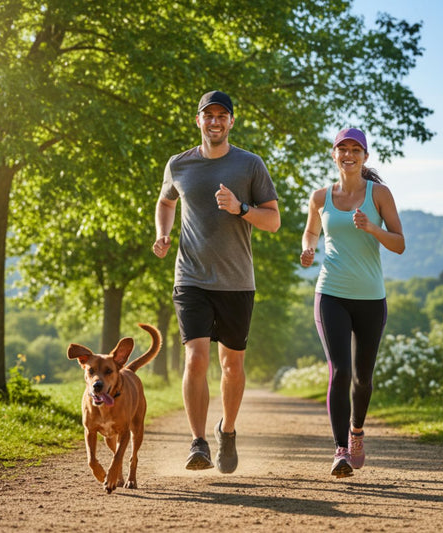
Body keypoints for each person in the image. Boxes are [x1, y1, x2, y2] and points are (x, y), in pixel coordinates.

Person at [153, 90, 280, 474]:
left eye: (222, 115)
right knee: (196, 358)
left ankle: (227, 429)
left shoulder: (250, 165)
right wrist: (163, 233)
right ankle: (198, 442)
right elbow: (166, 201)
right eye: (208, 115)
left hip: (237, 280)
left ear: (231, 122)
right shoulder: (179, 164)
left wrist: (241, 208)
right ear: (198, 121)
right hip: (190, 276)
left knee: (232, 366)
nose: (215, 121)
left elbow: (273, 221)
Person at [300, 127, 405, 478]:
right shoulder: (320, 196)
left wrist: (371, 228)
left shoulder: (380, 194)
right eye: (342, 149)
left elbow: (399, 243)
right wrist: (309, 246)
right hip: (331, 293)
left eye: (355, 149)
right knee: (340, 371)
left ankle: (356, 431)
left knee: (363, 377)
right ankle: (340, 450)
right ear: (333, 155)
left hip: (371, 298)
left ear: (365, 156)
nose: (348, 154)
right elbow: (312, 229)